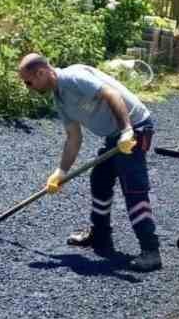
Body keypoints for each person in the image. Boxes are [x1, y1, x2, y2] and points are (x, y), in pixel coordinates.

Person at [17, 53, 161, 272]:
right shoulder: (60, 97)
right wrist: (61, 171)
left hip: (135, 127)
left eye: (29, 82)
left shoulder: (73, 77)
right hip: (115, 135)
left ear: (41, 72)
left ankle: (151, 251)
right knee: (100, 180)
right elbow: (74, 137)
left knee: (133, 188)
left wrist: (127, 131)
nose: (28, 87)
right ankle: (100, 236)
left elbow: (111, 94)